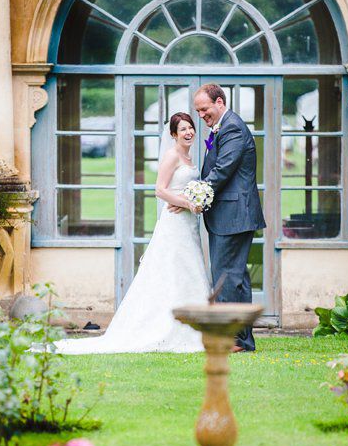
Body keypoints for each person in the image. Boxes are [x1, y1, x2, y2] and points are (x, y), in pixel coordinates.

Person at [50, 112, 210, 353]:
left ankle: (197, 329)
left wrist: (194, 199)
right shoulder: (172, 156)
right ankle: (167, 327)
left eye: (191, 128)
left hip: (189, 223)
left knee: (189, 269)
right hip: (175, 222)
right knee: (172, 269)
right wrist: (188, 203)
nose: (188, 133)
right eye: (183, 129)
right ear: (174, 134)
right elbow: (159, 190)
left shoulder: (189, 157)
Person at [193, 83, 266, 352]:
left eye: (205, 109)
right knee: (237, 279)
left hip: (233, 214)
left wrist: (196, 195)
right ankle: (242, 340)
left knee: (226, 278)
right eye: (198, 111)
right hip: (231, 214)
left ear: (220, 102)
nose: (201, 115)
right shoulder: (222, 126)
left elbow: (223, 169)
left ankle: (231, 340)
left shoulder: (232, 127)